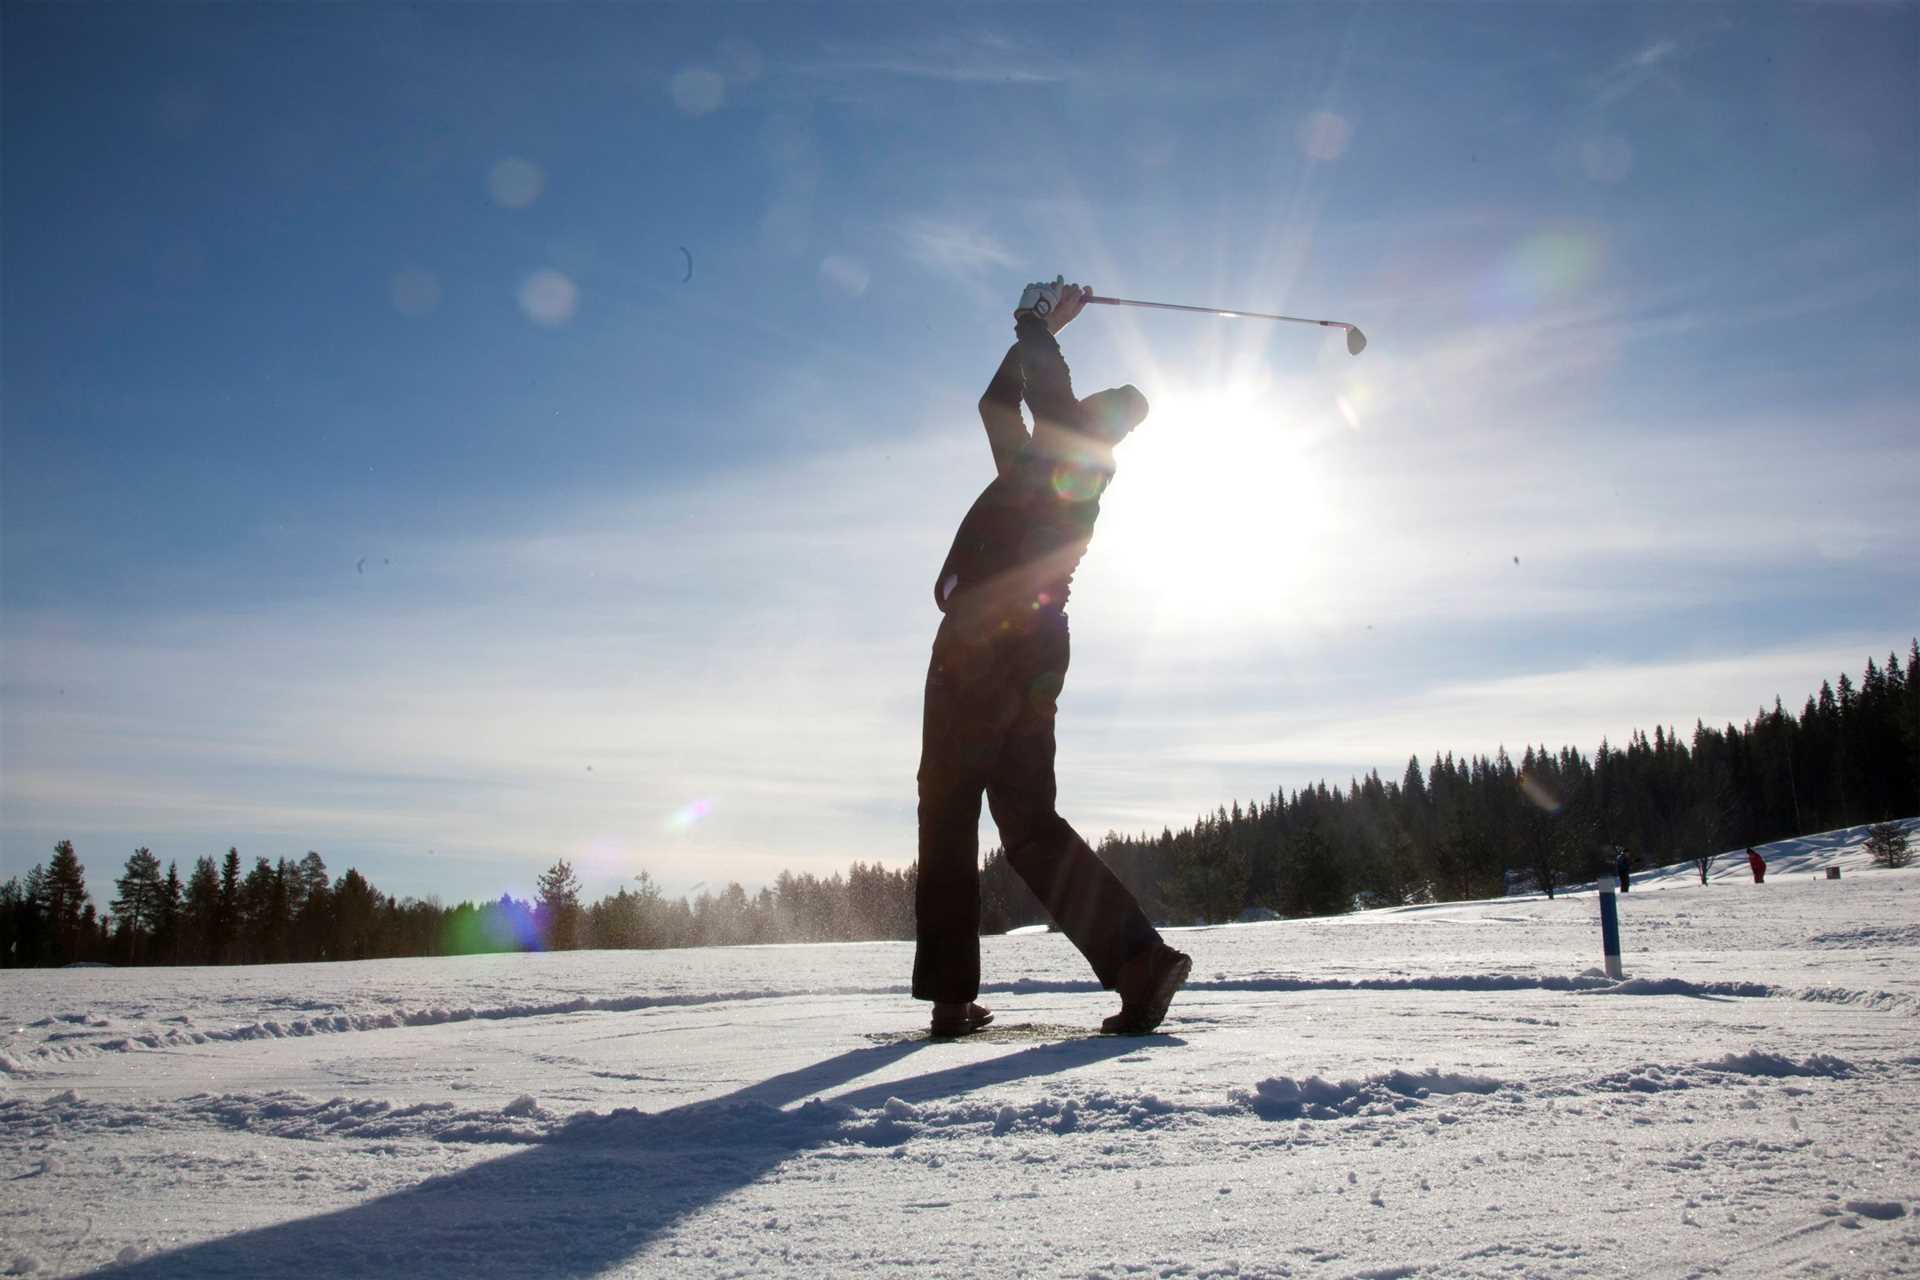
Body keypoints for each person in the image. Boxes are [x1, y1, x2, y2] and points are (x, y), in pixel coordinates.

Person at [914, 276, 1191, 1038]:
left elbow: (1045, 400)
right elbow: (998, 404)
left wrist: (1038, 323)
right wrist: (1031, 339)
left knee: (946, 806)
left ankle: (948, 995)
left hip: (984, 644)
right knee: (1028, 822)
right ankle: (1138, 963)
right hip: (1031, 655)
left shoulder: (1075, 466)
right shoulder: (1032, 470)